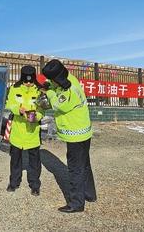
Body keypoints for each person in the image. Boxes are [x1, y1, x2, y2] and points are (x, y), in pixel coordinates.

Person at [42, 59, 97, 213]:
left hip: (76, 135)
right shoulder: (69, 78)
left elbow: (58, 104)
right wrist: (50, 84)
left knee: (75, 169)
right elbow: (54, 84)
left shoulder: (69, 90)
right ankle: (89, 194)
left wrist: (49, 91)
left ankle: (76, 203)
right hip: (84, 131)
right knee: (84, 164)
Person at [5, 65, 44, 196]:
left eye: (30, 81)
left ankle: (35, 185)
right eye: (25, 81)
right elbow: (9, 104)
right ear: (22, 78)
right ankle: (13, 182)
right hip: (17, 130)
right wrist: (18, 110)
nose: (28, 83)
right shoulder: (14, 88)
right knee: (15, 159)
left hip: (33, 131)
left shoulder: (39, 91)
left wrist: (36, 117)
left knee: (34, 161)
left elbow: (42, 110)